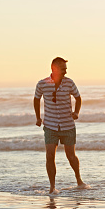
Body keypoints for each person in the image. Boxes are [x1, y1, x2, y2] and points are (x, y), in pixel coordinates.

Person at [33, 57, 88, 194]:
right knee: (50, 155)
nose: (65, 71)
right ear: (54, 68)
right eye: (63, 69)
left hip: (68, 125)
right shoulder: (42, 84)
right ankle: (52, 187)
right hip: (50, 125)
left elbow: (78, 98)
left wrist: (76, 112)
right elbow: (36, 99)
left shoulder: (69, 83)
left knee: (71, 156)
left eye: (65, 69)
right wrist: (38, 117)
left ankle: (79, 180)